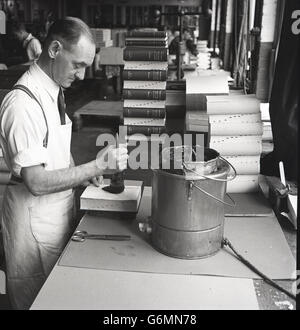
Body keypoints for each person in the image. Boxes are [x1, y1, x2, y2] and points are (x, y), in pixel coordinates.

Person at [0, 17, 128, 310]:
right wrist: (95, 167)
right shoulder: (23, 104)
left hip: (55, 215)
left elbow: (55, 148)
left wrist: (79, 176)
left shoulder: (53, 89)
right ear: (55, 49)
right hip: (34, 225)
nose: (82, 76)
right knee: (39, 302)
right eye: (77, 65)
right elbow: (35, 181)